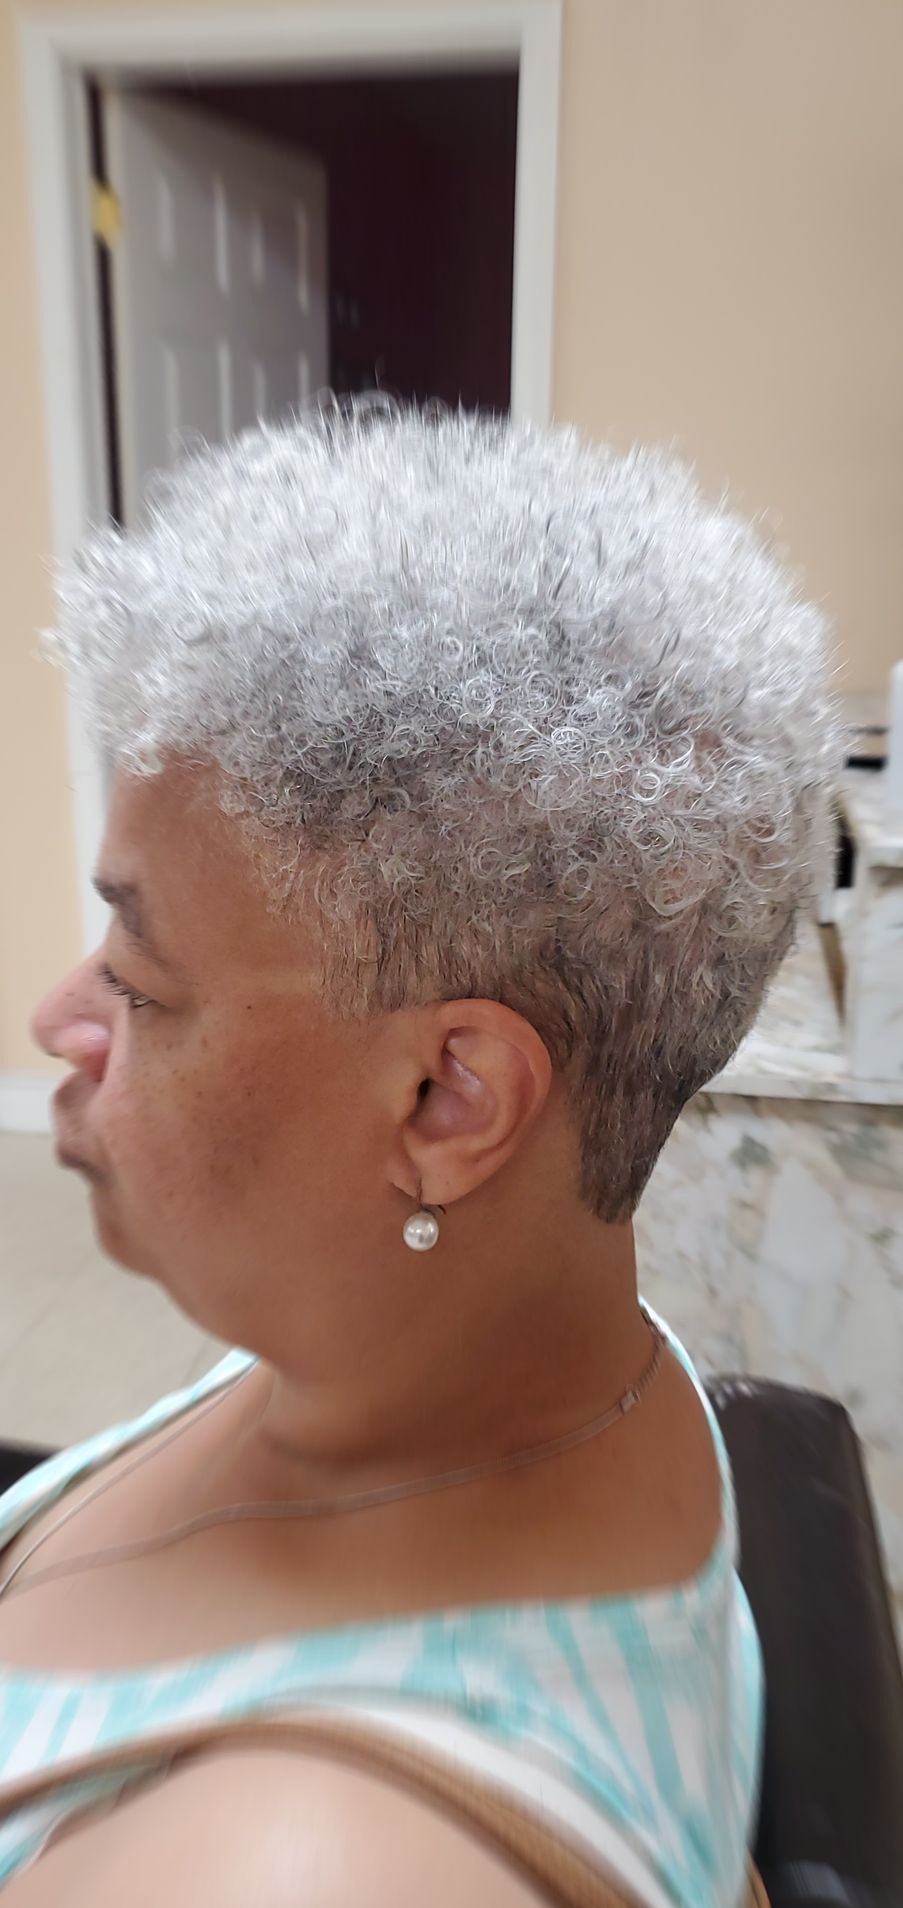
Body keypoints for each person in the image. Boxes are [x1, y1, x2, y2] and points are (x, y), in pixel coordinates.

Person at [0, 406, 832, 1906]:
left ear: (448, 1101)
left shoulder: (303, 1870)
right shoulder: (500, 1352)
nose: (61, 1021)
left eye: (143, 978)